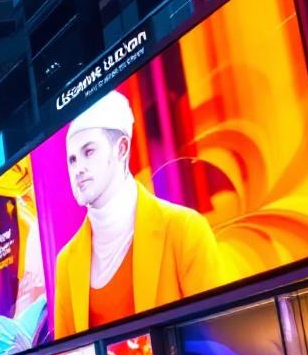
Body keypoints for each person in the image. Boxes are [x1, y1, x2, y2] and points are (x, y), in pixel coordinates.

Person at [52, 89, 222, 337]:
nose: (78, 169)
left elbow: (218, 336)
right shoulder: (66, 262)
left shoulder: (185, 228)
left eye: (89, 152)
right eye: (72, 160)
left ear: (121, 149)